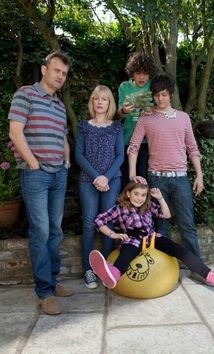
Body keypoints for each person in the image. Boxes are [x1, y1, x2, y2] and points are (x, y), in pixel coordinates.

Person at [8, 51, 75, 315]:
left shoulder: (58, 105)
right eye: (57, 70)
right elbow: (15, 131)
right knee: (41, 231)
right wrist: (34, 164)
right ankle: (44, 292)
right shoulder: (25, 94)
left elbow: (62, 137)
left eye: (65, 74)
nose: (61, 76)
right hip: (36, 175)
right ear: (44, 68)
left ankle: (53, 280)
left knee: (55, 231)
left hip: (59, 174)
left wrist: (66, 163)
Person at [89, 182, 214, 292]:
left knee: (181, 251)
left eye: (143, 195)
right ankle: (114, 274)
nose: (140, 198)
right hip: (133, 239)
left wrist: (160, 198)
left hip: (152, 238)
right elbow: (99, 220)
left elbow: (167, 215)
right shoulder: (119, 209)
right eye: (136, 194)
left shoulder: (148, 206)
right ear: (128, 194)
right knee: (128, 252)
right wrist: (113, 234)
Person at [128, 74, 203, 258]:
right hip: (156, 179)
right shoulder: (146, 118)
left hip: (180, 179)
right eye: (156, 95)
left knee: (187, 224)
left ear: (170, 94)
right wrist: (132, 174)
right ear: (152, 96)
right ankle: (163, 268)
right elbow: (133, 146)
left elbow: (192, 148)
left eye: (163, 94)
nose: (160, 99)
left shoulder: (184, 118)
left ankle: (197, 267)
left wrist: (199, 176)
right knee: (160, 226)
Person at [75, 85, 124, 289]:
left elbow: (120, 155)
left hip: (112, 181)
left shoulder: (116, 127)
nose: (100, 102)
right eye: (96, 98)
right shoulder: (83, 126)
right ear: (92, 102)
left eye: (104, 99)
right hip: (88, 181)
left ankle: (104, 267)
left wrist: (106, 177)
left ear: (109, 103)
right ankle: (88, 269)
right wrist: (97, 177)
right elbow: (79, 155)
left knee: (108, 224)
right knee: (88, 224)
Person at [117, 52, 156, 186]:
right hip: (127, 138)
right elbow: (119, 115)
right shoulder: (124, 87)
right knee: (127, 179)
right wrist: (124, 110)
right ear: (132, 73)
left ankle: (145, 207)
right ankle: (127, 207)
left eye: (145, 73)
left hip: (147, 141)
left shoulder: (153, 85)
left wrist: (151, 110)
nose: (142, 77)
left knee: (144, 178)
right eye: (138, 73)